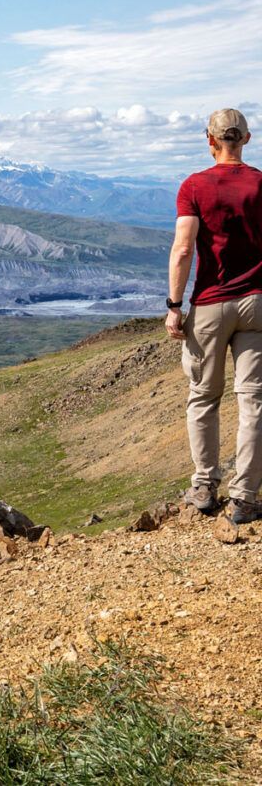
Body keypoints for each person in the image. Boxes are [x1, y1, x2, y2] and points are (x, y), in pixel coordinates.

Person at [168, 108, 262, 524]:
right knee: (254, 400)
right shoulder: (261, 184)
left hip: (210, 303)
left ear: (210, 140)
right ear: (246, 138)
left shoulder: (194, 185)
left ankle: (205, 487)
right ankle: (245, 497)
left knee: (204, 397)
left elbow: (184, 249)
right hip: (258, 302)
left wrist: (174, 306)